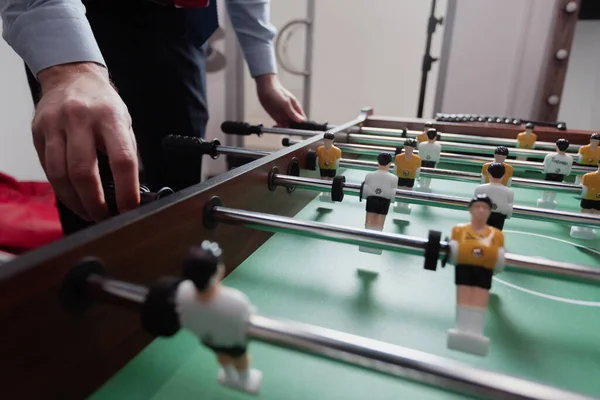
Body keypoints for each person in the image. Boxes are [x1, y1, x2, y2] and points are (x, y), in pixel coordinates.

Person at [1, 0, 306, 235]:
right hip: (79, 18)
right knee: (86, 192)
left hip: (178, 24)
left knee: (181, 181)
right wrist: (68, 68)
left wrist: (266, 76)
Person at [176, 240, 261, 394]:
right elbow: (247, 320)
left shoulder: (182, 293)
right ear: (218, 271)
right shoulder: (235, 301)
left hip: (208, 339)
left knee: (222, 356)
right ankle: (244, 379)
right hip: (233, 342)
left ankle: (228, 374)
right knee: (242, 359)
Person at [446, 194, 505, 357]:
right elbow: (453, 250)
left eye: (484, 208)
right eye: (477, 207)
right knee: (464, 296)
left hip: (484, 269)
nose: (480, 210)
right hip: (464, 267)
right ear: (470, 209)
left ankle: (476, 331)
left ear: (489, 211)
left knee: (480, 298)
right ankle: (461, 328)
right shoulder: (459, 230)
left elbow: (499, 255)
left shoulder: (497, 235)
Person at [359, 152, 398, 255]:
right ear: (390, 163)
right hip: (384, 201)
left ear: (377, 162)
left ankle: (367, 241)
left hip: (371, 200)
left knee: (369, 222)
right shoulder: (394, 178)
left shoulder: (369, 175)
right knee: (379, 224)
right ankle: (376, 242)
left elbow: (365, 190)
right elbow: (393, 194)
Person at [473, 163, 514, 230]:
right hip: (499, 218)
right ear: (503, 175)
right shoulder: (509, 192)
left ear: (488, 174)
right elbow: (509, 210)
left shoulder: (479, 188)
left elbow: (475, 206)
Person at [537, 139, 573, 208]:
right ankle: (550, 201)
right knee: (554, 190)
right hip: (560, 176)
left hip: (549, 175)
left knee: (546, 189)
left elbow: (544, 168)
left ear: (557, 146)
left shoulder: (549, 156)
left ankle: (544, 200)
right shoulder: (569, 158)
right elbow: (568, 171)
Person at [570, 160, 600, 240]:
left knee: (595, 214)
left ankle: (589, 228)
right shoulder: (588, 176)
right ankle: (580, 227)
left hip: (599, 200)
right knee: (584, 212)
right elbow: (583, 189)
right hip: (588, 198)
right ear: (598, 164)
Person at [393, 139, 421, 214]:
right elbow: (395, 167)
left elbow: (418, 170)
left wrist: (417, 176)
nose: (408, 150)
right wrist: (394, 176)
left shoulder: (417, 159)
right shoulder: (398, 157)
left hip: (410, 178)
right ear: (404, 147)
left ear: (413, 149)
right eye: (407, 148)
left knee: (408, 191)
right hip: (400, 177)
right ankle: (398, 204)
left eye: (411, 148)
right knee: (399, 189)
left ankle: (406, 205)